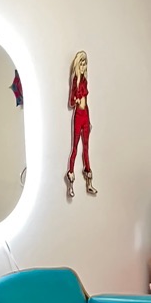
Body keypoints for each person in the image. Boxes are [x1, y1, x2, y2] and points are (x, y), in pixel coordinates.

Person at [66, 51, 97, 197]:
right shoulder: (75, 82)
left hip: (85, 115)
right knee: (75, 148)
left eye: (85, 64)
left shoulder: (84, 81)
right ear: (78, 65)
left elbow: (87, 102)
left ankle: (89, 183)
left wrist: (89, 121)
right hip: (78, 116)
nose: (84, 67)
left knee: (86, 149)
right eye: (82, 64)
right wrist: (76, 100)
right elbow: (71, 102)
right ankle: (71, 182)